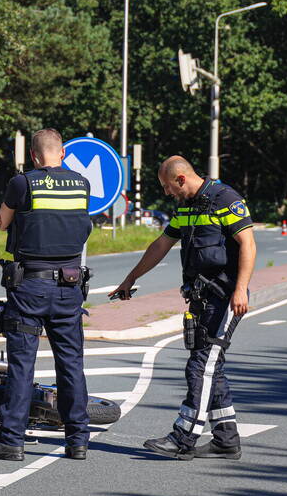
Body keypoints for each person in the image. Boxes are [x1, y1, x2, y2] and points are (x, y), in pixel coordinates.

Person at [110, 155, 256, 460]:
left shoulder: (225, 199)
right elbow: (161, 245)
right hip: (201, 297)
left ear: (181, 179)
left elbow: (248, 244)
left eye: (167, 186)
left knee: (200, 366)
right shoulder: (186, 206)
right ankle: (226, 439)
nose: (166, 193)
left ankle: (183, 438)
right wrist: (130, 278)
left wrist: (241, 289)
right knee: (211, 366)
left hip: (225, 296)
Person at [0, 128, 92, 461]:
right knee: (71, 364)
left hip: (30, 288)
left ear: (33, 156)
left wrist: (3, 216)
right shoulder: (82, 184)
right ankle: (78, 440)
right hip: (70, 287)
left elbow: (2, 222)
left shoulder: (22, 183)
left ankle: (12, 442)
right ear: (63, 153)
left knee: (23, 365)